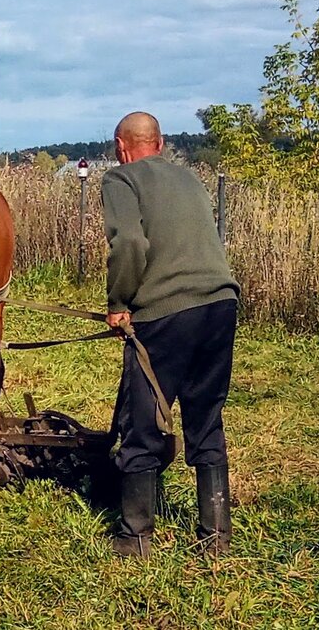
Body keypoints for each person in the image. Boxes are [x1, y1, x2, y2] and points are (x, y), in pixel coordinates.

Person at [101, 112, 240, 558]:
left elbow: (130, 245)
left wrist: (120, 304)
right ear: (159, 144)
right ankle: (215, 537)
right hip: (221, 304)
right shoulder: (191, 180)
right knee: (205, 417)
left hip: (165, 314)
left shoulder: (121, 179)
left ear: (122, 146)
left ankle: (134, 536)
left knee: (143, 421)